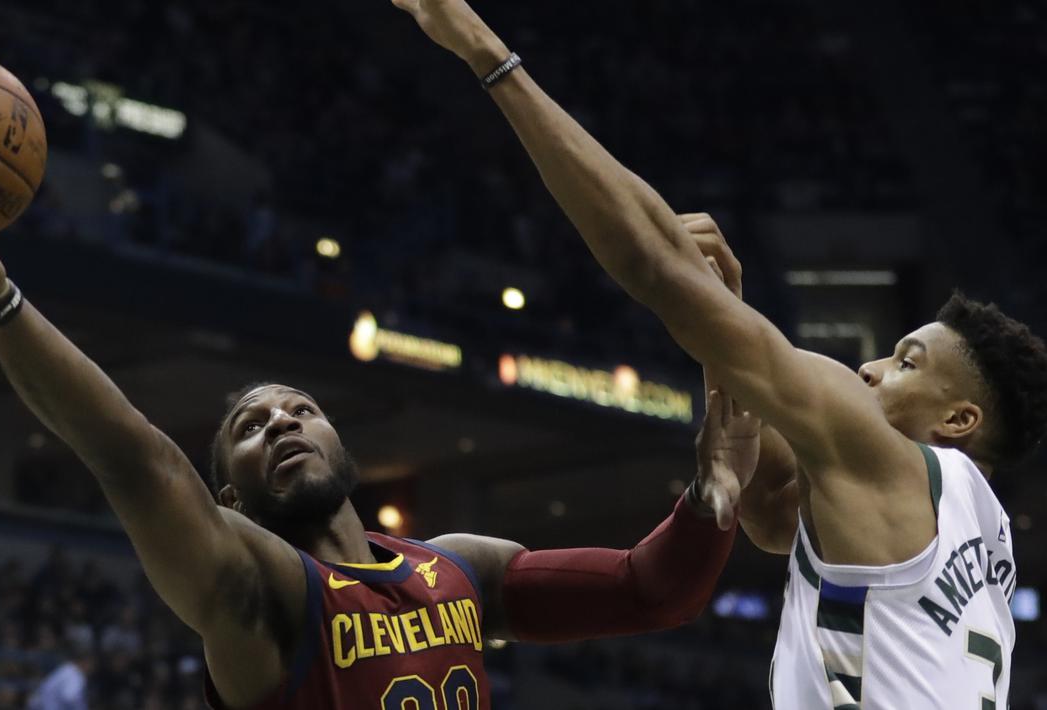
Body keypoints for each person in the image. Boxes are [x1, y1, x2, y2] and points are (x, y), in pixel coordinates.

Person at [391, 0, 1047, 707]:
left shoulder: (885, 456)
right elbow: (768, 518)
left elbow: (652, 267)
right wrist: (724, 345)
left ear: (957, 420)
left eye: (905, 362)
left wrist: (486, 53)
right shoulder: (983, 542)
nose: (868, 370)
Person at [0, 201, 754, 706]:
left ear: (338, 440)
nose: (280, 423)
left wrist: (717, 459)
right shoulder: (262, 594)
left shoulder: (461, 571)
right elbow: (133, 457)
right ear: (228, 503)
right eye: (249, 427)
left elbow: (653, 592)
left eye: (299, 410)